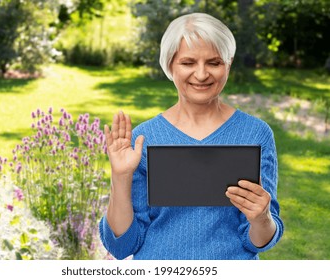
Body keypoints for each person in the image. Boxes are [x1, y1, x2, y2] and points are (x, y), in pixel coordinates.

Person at [99, 13, 284, 260]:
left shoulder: (256, 133)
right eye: (188, 63)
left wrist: (261, 217)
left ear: (228, 65)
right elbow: (122, 247)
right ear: (169, 65)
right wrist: (120, 177)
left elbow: (258, 241)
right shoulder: (144, 139)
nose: (201, 74)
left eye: (214, 63)